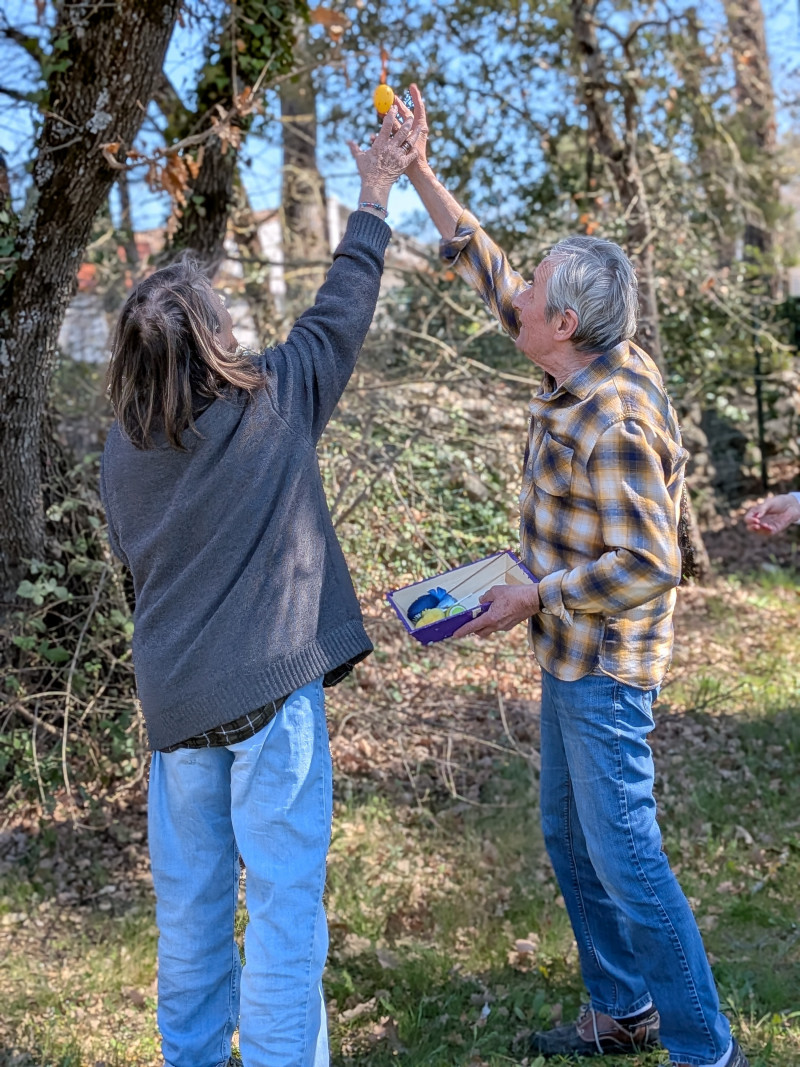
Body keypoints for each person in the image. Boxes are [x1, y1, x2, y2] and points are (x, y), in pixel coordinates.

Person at [396, 84, 748, 1067]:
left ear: (563, 324)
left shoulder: (615, 420)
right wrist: (420, 168)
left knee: (626, 852)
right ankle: (620, 1007)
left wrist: (530, 595)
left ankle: (702, 1046)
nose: (515, 296)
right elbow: (487, 266)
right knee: (567, 834)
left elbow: (650, 561)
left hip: (601, 657)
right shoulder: (570, 360)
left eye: (533, 289)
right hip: (563, 643)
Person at [99, 107, 422, 1067]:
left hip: (175, 706)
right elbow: (344, 307)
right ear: (210, 339)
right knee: (283, 912)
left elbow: (132, 571)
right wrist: (373, 192)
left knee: (190, 918)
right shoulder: (273, 401)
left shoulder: (122, 452)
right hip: (270, 699)